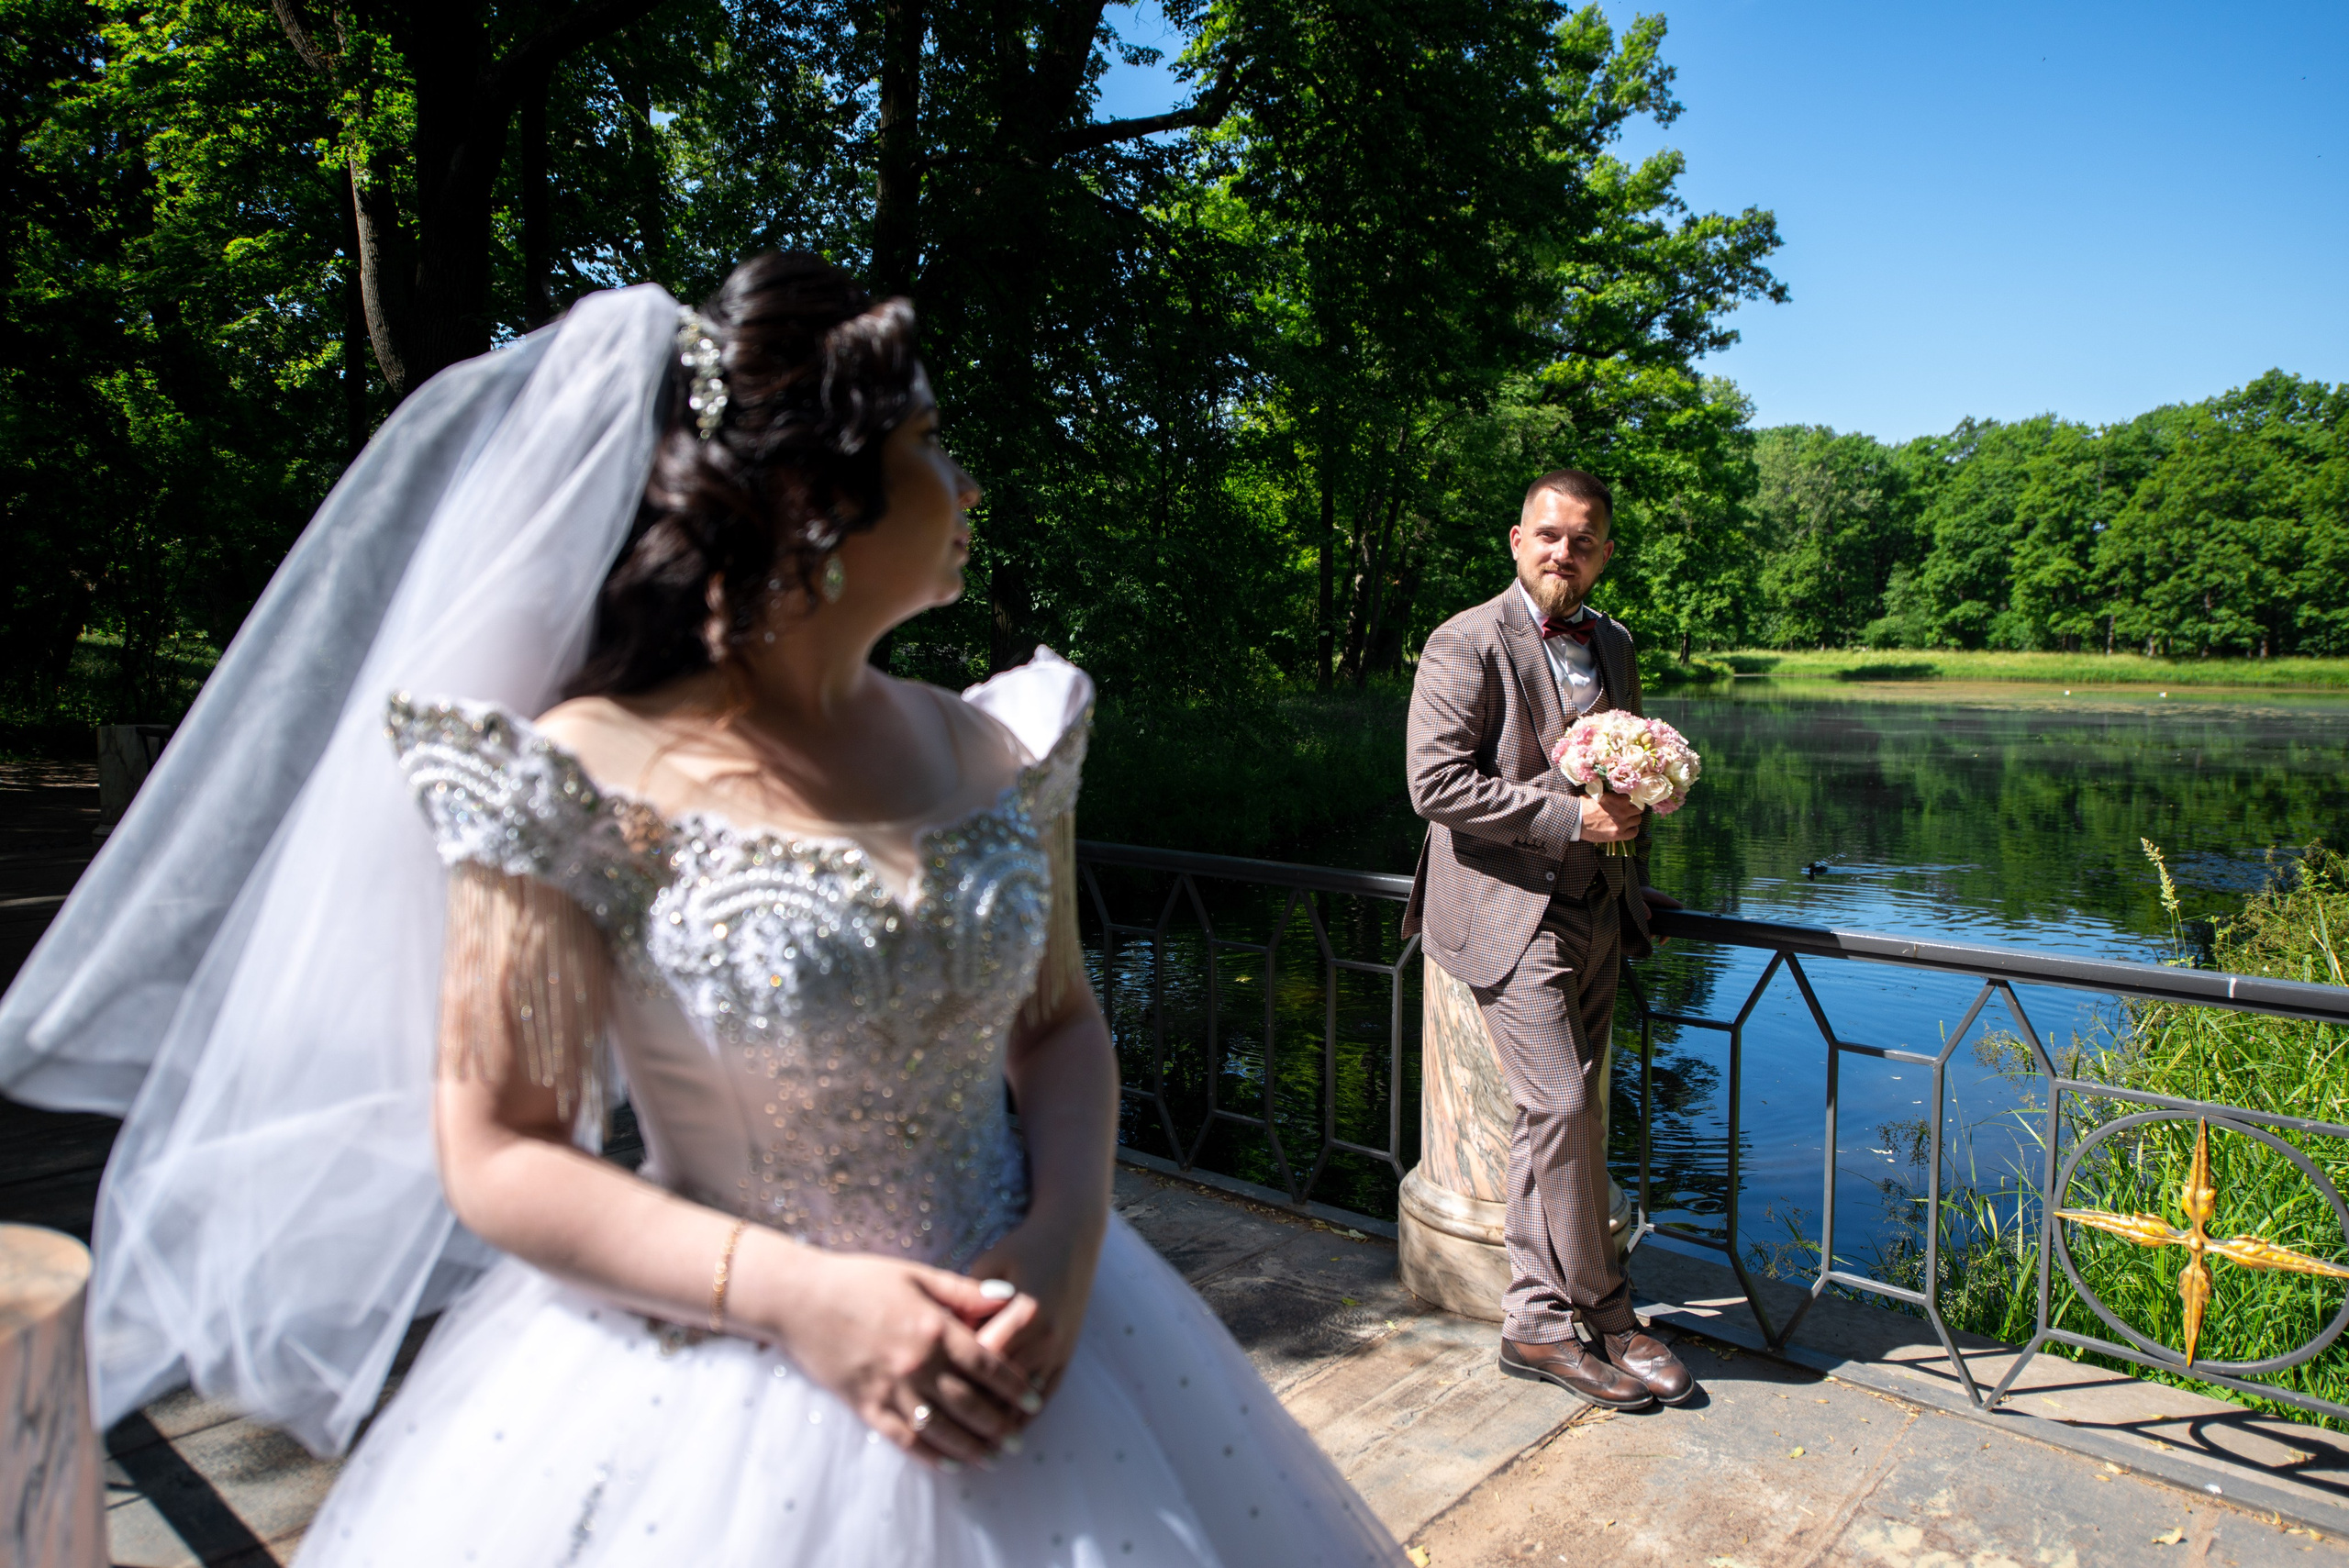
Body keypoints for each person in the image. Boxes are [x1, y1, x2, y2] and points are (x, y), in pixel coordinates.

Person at [0, 253, 1403, 1565]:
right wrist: (799, 1296)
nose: (966, 482)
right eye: (926, 446)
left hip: (1049, 1332)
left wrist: (1066, 1238)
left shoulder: (1001, 744)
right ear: (812, 504)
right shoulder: (569, 779)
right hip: (719, 1372)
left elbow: (1060, 1030)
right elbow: (499, 1144)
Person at [1398, 469, 1695, 1412]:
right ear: (1516, 540)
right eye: (1549, 534)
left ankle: (1532, 1322)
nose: (1564, 551)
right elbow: (1435, 785)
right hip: (1504, 908)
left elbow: (1620, 773)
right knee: (1564, 1108)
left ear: (1604, 552)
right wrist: (1569, 818)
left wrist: (1641, 809)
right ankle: (1606, 1309)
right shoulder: (1464, 639)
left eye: (1584, 538)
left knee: (1552, 1122)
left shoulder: (1613, 641)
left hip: (1599, 908)